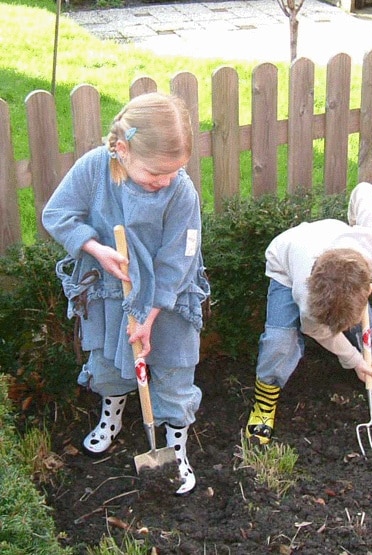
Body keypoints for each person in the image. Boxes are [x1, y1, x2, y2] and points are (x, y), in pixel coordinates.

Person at [42, 92, 210, 495]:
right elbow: (57, 214)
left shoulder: (181, 192)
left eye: (175, 171)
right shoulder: (94, 169)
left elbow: (179, 260)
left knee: (173, 371)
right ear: (122, 150)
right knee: (108, 365)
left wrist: (149, 316)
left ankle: (175, 447)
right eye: (156, 172)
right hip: (111, 294)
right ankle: (111, 417)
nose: (165, 181)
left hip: (166, 300)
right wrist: (95, 249)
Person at [245, 181, 372, 446]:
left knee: (370, 326)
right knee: (279, 342)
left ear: (369, 289)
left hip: (338, 249)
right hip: (285, 264)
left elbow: (364, 190)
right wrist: (354, 360)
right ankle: (264, 403)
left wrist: (354, 222)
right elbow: (317, 330)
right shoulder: (306, 297)